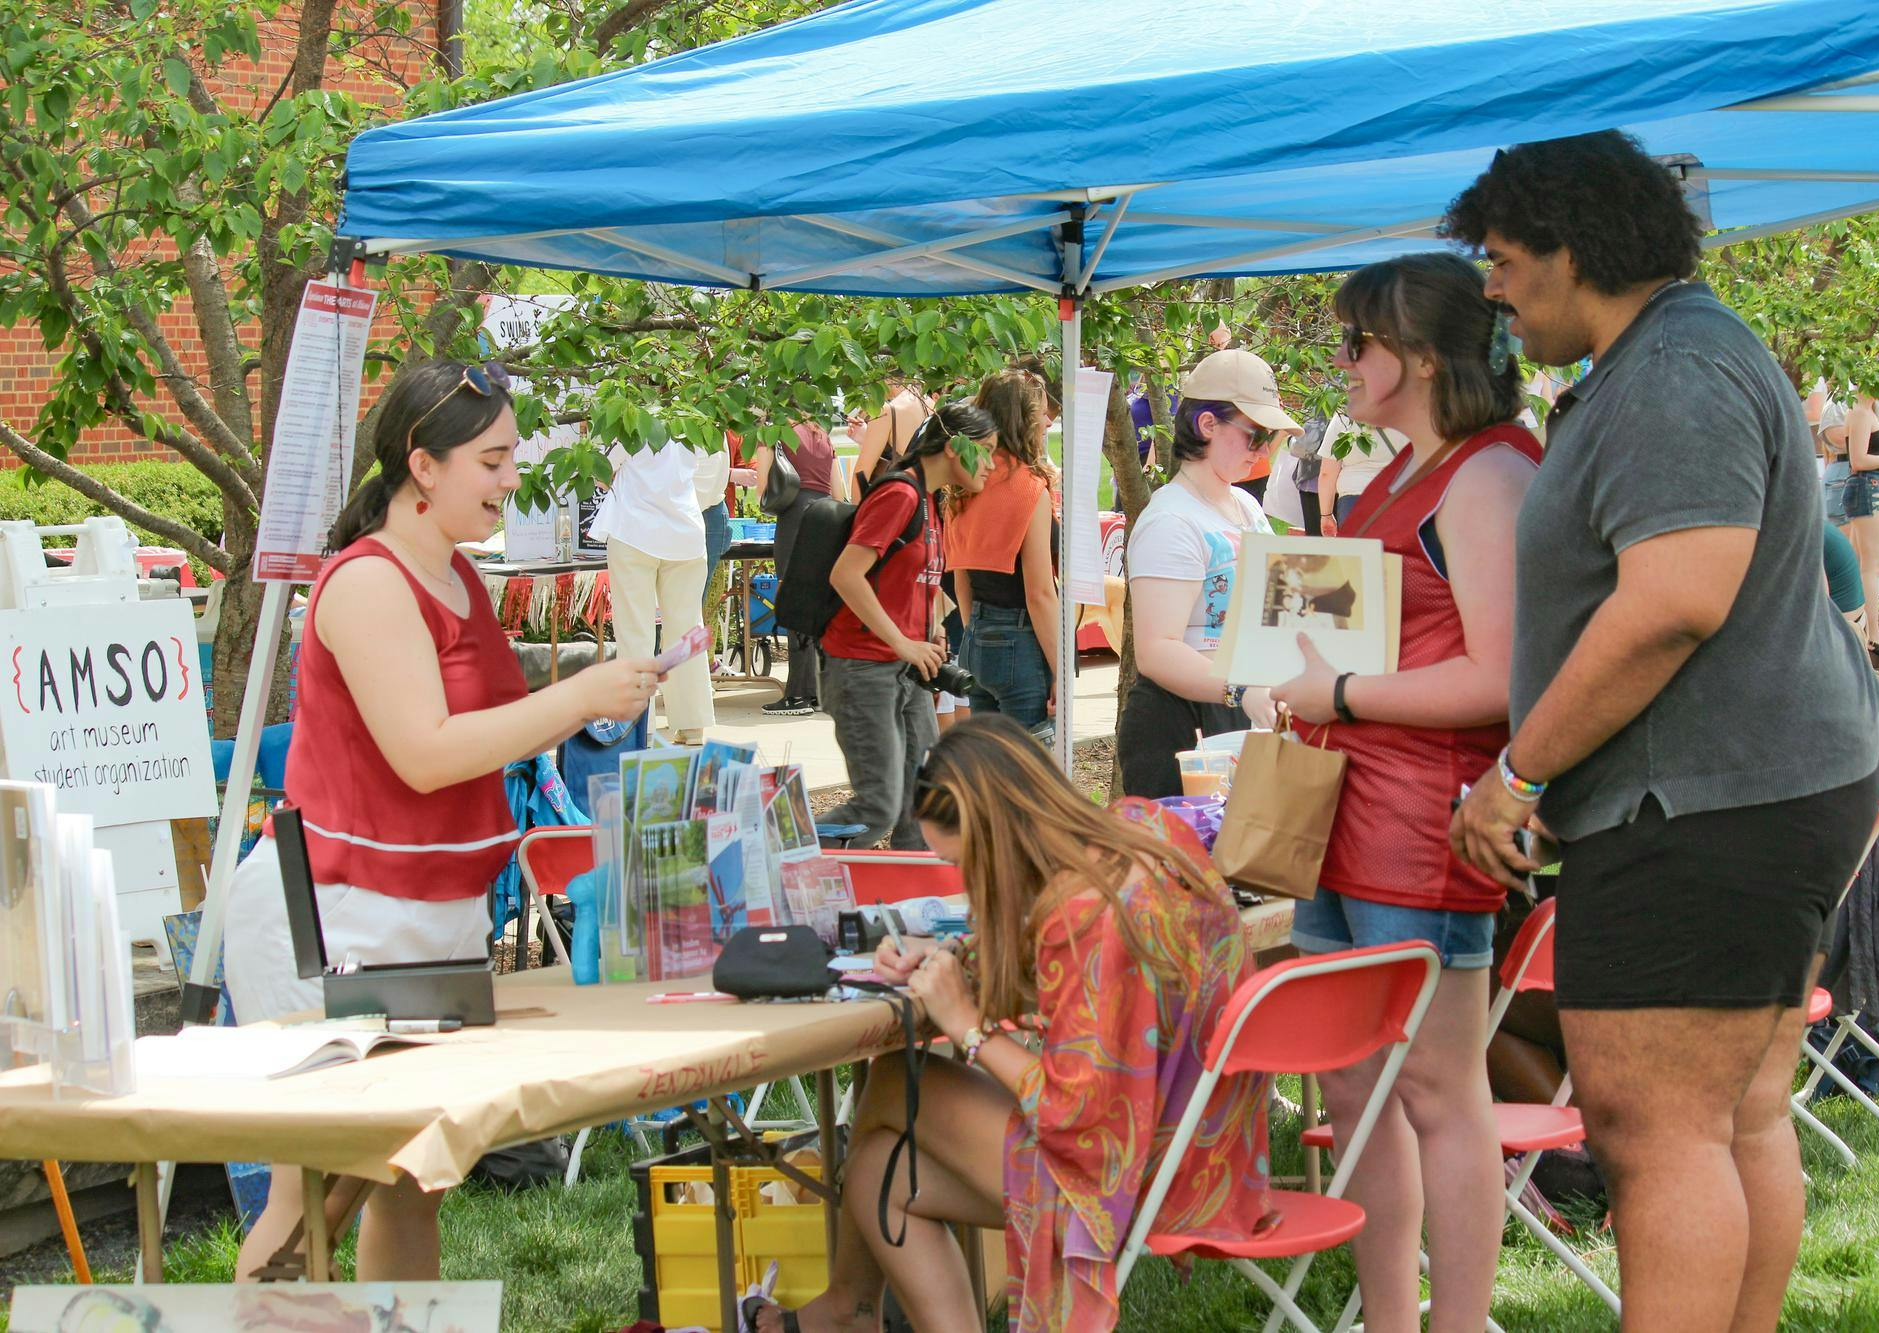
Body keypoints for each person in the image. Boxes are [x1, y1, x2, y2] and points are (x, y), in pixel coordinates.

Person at [1443, 131, 1879, 1333]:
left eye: (1497, 256)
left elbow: (1672, 600)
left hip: (1694, 806)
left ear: (1566, 246)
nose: (1487, 285)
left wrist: (1516, 771)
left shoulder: (1672, 370)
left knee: (1655, 1132)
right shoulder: (1671, 354)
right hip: (1736, 792)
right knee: (1732, 1117)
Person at [223, 359, 655, 1282]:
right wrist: (575, 698)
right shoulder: (369, 585)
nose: (511, 480)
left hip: (433, 911)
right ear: (424, 466)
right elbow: (425, 751)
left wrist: (581, 698)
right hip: (337, 910)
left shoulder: (458, 575)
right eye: (492, 461)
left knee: (412, 1173)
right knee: (325, 1180)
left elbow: (473, 732)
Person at [747, 716, 1276, 1333]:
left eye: (961, 862)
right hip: (1210, 1149)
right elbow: (1077, 985)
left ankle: (844, 1312)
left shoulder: (1084, 917)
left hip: (1143, 1174)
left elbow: (1074, 1112)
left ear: (993, 837)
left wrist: (969, 1026)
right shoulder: (1138, 829)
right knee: (875, 1169)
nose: (963, 881)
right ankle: (848, 1312)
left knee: (894, 1077)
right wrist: (961, 961)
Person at [1269, 252, 1539, 1332]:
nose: (1338, 362)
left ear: (1418, 356)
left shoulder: (1485, 474)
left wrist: (1335, 684)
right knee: (1350, 1087)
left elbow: (1503, 675)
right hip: (1342, 807)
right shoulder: (1397, 468)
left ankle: (1458, 1320)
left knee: (1433, 1088)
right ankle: (1391, 1315)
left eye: (1355, 342)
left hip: (1422, 819)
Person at [1119, 349, 1299, 797]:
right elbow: (1157, 651)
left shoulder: (1247, 507)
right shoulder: (1170, 520)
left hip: (1239, 712)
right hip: (1182, 726)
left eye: (1271, 437)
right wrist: (1241, 691)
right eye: (1256, 434)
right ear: (1207, 425)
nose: (1263, 450)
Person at [819, 401, 995, 849]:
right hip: (862, 670)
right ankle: (775, 849)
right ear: (956, 447)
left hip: (905, 670)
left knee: (922, 803)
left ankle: (911, 906)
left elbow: (917, 580)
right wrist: (902, 642)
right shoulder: (900, 494)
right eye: (987, 450)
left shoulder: (931, 502)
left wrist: (929, 630)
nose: (992, 464)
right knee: (877, 807)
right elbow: (845, 574)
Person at [946, 369, 1061, 732]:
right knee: (1026, 770)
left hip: (976, 635)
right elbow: (1040, 593)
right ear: (1023, 420)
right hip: (1021, 639)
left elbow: (961, 577)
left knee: (989, 768)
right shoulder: (1028, 487)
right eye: (1039, 413)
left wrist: (974, 633)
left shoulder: (965, 481)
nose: (1046, 421)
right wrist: (1061, 670)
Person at [590, 431, 718, 744]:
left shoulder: (627, 421)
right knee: (687, 630)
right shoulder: (700, 420)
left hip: (634, 530)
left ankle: (637, 726)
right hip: (685, 530)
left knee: (635, 632)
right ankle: (692, 724)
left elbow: (600, 472)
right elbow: (713, 484)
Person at [1820, 392, 1879, 657]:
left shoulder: (1866, 412)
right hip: (1868, 487)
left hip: (1874, 485)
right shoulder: (1860, 412)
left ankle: (1864, 631)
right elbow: (1859, 462)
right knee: (1869, 567)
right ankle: (1872, 636)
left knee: (1865, 564)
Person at [754, 418, 839, 715]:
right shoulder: (823, 434)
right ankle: (817, 691)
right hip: (827, 515)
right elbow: (838, 492)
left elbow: (762, 490)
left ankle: (796, 695)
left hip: (794, 517)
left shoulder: (772, 430)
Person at [847, 378, 932, 498]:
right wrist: (867, 437)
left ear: (887, 377)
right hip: (926, 500)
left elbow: (861, 475)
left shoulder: (887, 411)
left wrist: (855, 513)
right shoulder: (932, 405)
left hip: (895, 499)